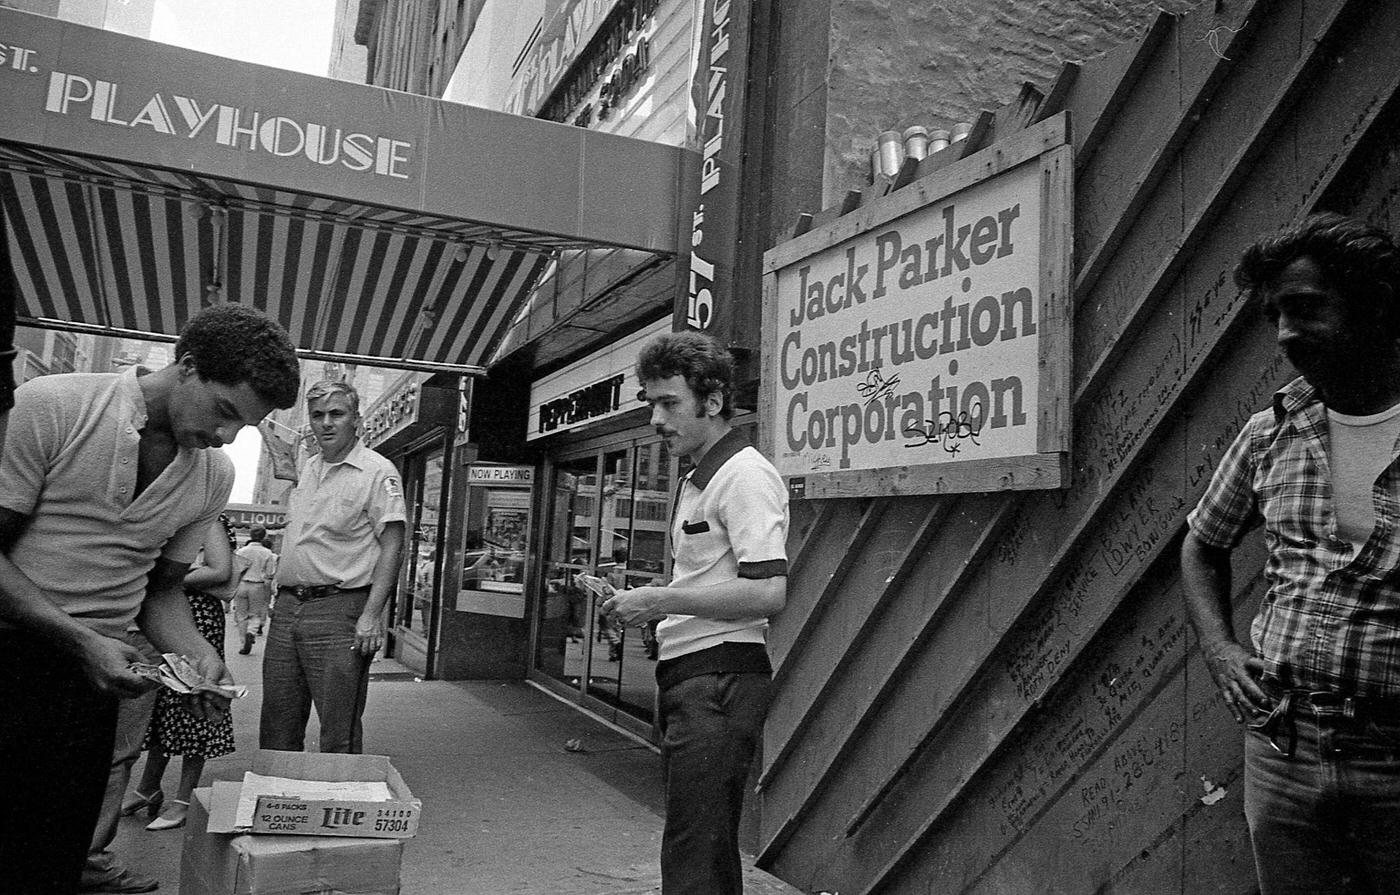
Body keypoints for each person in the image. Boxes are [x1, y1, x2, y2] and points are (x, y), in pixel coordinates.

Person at [0, 303, 300, 895]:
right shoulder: (54, 405)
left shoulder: (211, 475)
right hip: (14, 655)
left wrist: (197, 658)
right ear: (186, 366)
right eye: (224, 412)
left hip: (92, 682)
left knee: (56, 846)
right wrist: (80, 638)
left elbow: (160, 591)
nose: (224, 436)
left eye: (242, 428)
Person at [1181, 213, 1400, 895]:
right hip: (1284, 747)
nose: (1284, 334)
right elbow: (1200, 544)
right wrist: (1218, 648)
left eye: (1305, 309)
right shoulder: (1271, 432)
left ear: (1373, 304)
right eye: (1275, 314)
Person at [602, 330, 788, 895]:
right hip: (694, 678)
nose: (656, 418)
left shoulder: (745, 476)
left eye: (669, 403)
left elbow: (766, 593)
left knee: (695, 851)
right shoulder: (700, 477)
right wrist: (651, 595)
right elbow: (718, 582)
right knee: (700, 845)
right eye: (650, 402)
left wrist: (657, 600)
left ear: (712, 402)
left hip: (720, 681)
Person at [259, 379, 406, 754]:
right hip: (288, 609)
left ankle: (336, 802)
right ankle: (280, 805)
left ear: (356, 420)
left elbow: (393, 546)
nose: (326, 423)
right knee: (278, 724)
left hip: (340, 611)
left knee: (338, 730)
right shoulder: (308, 469)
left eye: (336, 414)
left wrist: (372, 616)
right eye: (318, 415)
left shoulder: (378, 472)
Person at [124, 514, 239, 832]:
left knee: (195, 703)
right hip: (162, 613)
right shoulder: (173, 511)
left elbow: (220, 569)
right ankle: (147, 788)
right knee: (162, 704)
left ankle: (183, 801)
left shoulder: (210, 515)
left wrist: (159, 579)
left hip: (196, 617)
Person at [233, 524, 277, 654]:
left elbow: (237, 570)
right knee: (255, 614)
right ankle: (251, 632)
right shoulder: (268, 553)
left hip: (242, 584)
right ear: (263, 537)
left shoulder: (241, 551)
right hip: (258, 585)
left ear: (250, 535)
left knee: (241, 615)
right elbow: (269, 573)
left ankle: (242, 643)